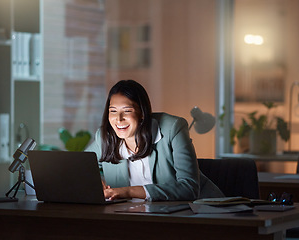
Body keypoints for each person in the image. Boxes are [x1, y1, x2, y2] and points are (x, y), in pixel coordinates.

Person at [86, 80, 224, 201]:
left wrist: (127, 191)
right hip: (137, 215)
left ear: (142, 113)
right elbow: (82, 166)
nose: (119, 119)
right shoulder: (105, 137)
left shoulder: (173, 129)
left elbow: (189, 187)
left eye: (127, 111)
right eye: (113, 111)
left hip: (201, 211)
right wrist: (96, 179)